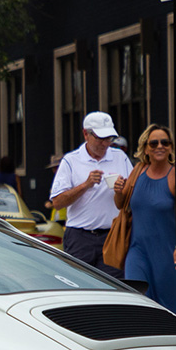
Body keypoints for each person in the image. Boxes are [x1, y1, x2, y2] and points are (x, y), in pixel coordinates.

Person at [115, 124, 176, 329]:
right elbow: (121, 205)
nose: (160, 146)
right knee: (137, 295)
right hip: (138, 248)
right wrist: (117, 191)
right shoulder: (138, 171)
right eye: (154, 143)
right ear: (146, 148)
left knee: (173, 303)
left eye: (165, 142)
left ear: (170, 148)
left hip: (167, 250)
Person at [49, 111, 134, 275]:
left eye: (108, 138)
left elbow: (133, 193)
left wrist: (122, 190)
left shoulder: (120, 157)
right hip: (79, 238)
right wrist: (85, 185)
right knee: (80, 286)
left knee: (113, 288)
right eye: (100, 138)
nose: (104, 144)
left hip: (112, 236)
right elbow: (57, 202)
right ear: (85, 134)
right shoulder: (71, 161)